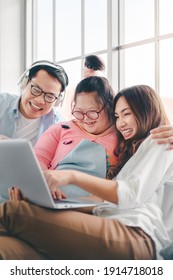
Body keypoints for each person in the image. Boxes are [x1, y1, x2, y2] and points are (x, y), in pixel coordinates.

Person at [0, 84, 173, 260]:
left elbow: (130, 194)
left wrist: (72, 176)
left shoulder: (162, 140)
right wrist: (46, 203)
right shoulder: (133, 155)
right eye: (117, 116)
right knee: (6, 250)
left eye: (126, 114)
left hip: (136, 235)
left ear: (147, 110)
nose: (120, 123)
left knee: (11, 211)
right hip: (104, 224)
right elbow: (102, 202)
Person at [33, 76, 118, 197]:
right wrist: (46, 184)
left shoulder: (122, 135)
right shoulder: (60, 129)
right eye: (79, 112)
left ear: (109, 107)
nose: (85, 118)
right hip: (54, 196)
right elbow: (37, 159)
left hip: (93, 202)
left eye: (93, 112)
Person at [0, 60, 69, 146]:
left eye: (49, 96)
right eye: (36, 90)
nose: (40, 100)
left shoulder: (60, 126)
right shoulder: (2, 102)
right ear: (24, 83)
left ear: (57, 101)